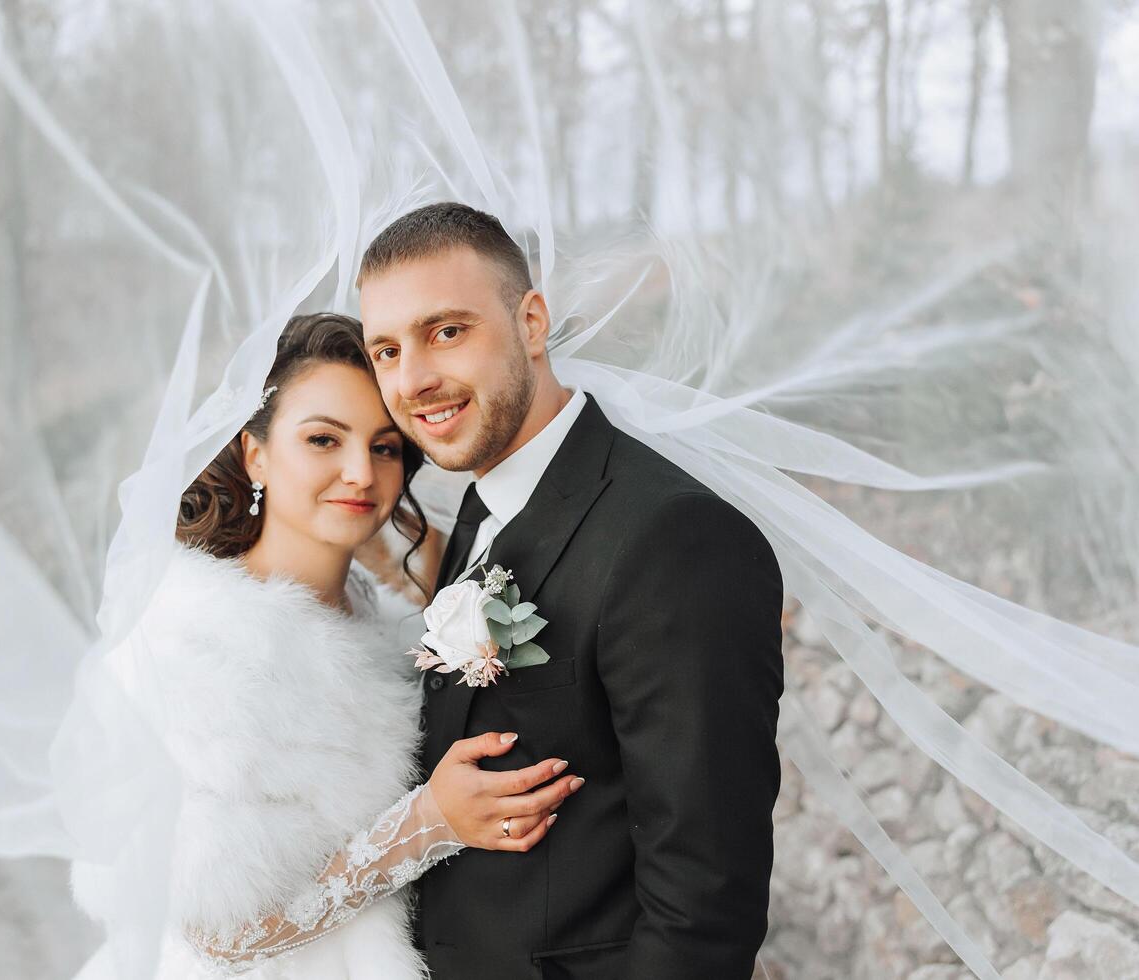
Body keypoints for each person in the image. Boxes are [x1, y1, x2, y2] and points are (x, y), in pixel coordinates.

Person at [64, 312, 584, 979]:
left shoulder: (390, 620)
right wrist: (425, 825)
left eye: (385, 446)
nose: (360, 473)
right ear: (256, 453)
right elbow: (221, 932)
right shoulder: (192, 643)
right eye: (322, 440)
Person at [358, 202, 786, 980]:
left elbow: (704, 904)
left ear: (531, 323)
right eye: (385, 350)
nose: (413, 378)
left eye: (446, 331)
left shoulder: (673, 539)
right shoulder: (483, 510)